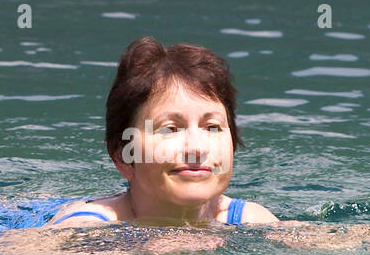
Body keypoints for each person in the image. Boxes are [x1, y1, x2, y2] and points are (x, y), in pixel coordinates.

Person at [45, 37, 277, 228]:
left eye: (212, 127)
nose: (197, 148)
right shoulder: (86, 228)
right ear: (123, 156)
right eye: (170, 129)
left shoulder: (251, 221)